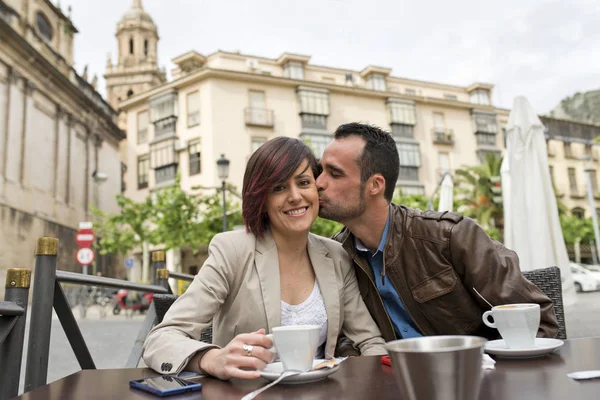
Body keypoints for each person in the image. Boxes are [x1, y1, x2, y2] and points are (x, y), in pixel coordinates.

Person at [143, 137, 386, 380]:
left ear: (316, 189)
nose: (295, 196)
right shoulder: (232, 250)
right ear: (262, 199)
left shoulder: (336, 255)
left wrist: (366, 384)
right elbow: (160, 339)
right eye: (278, 188)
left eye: (303, 182)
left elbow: (370, 340)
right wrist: (211, 358)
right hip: (244, 392)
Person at [315, 122, 559, 342]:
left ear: (375, 185)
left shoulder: (450, 236)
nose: (318, 183)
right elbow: (348, 339)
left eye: (334, 173)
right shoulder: (337, 256)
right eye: (320, 171)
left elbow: (536, 321)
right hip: (401, 384)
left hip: (479, 379)